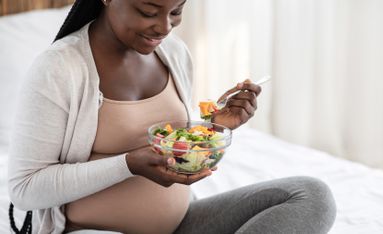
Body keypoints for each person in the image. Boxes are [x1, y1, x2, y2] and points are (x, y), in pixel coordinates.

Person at [7, 0, 336, 233]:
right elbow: (25, 189)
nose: (163, 27)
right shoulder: (59, 69)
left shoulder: (173, 53)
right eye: (148, 11)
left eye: (177, 11)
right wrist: (129, 163)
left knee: (310, 195)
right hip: (93, 230)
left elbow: (175, 147)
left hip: (181, 224)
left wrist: (215, 128)